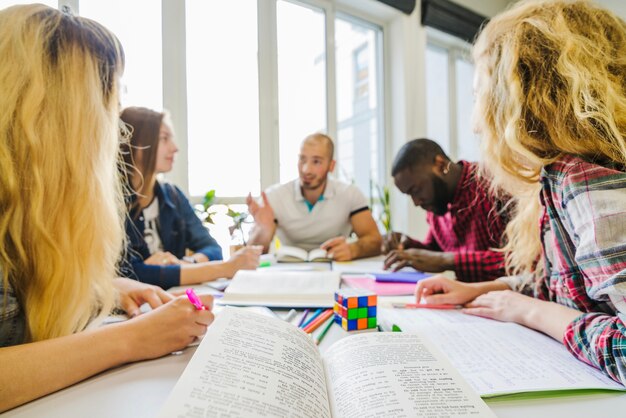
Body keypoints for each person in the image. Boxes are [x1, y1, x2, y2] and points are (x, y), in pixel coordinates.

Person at [0, 5, 213, 412]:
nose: (116, 123)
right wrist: (131, 339)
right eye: (108, 102)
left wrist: (105, 288)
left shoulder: (36, 206)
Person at [415, 0, 626, 384]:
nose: (477, 126)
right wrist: (479, 289)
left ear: (522, 98)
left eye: (480, 95)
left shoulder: (586, 182)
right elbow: (568, 288)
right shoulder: (557, 179)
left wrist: (531, 312)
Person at [119, 107, 261, 289]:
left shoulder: (172, 195)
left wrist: (186, 263)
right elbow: (131, 274)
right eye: (164, 138)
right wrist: (225, 268)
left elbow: (212, 249)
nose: (175, 148)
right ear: (136, 143)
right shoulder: (113, 203)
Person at [383, 138, 509, 282]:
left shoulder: (494, 186)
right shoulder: (438, 204)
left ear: (440, 165)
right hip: (468, 296)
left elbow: (519, 263)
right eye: (409, 194)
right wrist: (408, 248)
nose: (416, 202)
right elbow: (435, 253)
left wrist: (448, 260)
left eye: (416, 190)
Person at [246, 133, 382, 261]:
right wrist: (263, 229)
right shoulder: (274, 196)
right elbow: (252, 254)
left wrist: (353, 249)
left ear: (331, 165)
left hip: (336, 267)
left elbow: (374, 240)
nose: (306, 170)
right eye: (302, 159)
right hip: (289, 269)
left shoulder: (350, 194)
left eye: (316, 162)